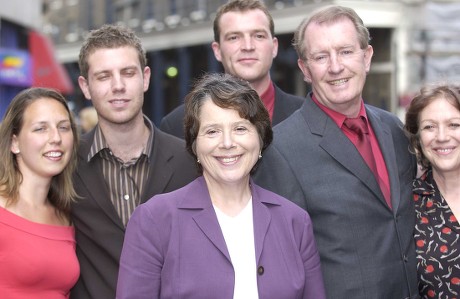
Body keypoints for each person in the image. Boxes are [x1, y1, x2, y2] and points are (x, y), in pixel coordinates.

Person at [254, 5, 419, 299]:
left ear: (366, 57)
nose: (335, 66)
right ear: (305, 69)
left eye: (345, 51)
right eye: (320, 56)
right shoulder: (280, 148)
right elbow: (280, 266)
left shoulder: (393, 129)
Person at [116, 73, 326, 299]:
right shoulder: (154, 220)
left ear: (260, 139)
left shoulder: (295, 221)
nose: (227, 143)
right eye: (212, 131)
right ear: (194, 144)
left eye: (240, 129)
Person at [71, 24, 198, 299]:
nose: (118, 86)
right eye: (103, 76)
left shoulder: (191, 162)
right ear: (85, 87)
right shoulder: (66, 164)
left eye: (127, 73)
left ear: (145, 78)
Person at [159, 0, 304, 139]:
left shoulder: (307, 115)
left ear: (274, 47)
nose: (248, 46)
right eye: (234, 37)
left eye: (258, 36)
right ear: (217, 51)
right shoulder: (176, 125)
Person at [0, 88, 79, 298]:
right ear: (14, 142)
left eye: (63, 127)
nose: (56, 138)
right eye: (40, 129)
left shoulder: (65, 216)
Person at [404, 84, 460, 298]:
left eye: (454, 125)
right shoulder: (407, 204)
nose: (442, 137)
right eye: (430, 127)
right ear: (418, 138)